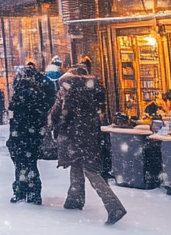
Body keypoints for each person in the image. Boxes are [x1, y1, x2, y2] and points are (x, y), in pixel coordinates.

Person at [48, 63, 125, 224]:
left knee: (90, 171)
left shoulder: (71, 93)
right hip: (90, 135)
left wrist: (59, 103)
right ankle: (74, 199)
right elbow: (99, 111)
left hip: (75, 136)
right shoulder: (94, 90)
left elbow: (61, 117)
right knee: (78, 164)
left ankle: (113, 205)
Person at [7, 66, 54, 205]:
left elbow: (14, 117)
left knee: (21, 165)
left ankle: (20, 191)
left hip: (20, 136)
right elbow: (41, 116)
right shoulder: (39, 97)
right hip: (32, 136)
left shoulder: (19, 97)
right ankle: (34, 193)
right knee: (31, 163)